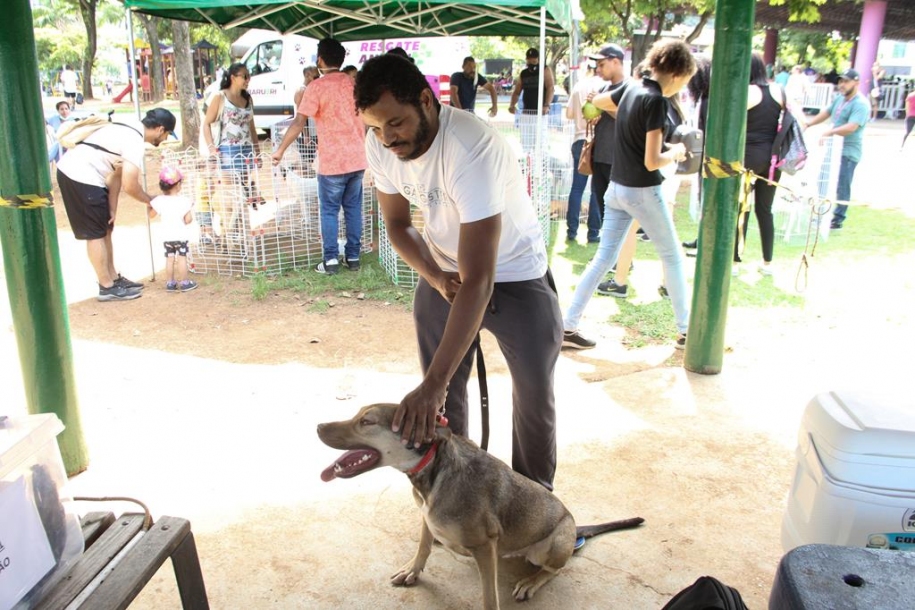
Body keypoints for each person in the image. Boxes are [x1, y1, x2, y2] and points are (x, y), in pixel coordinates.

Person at [354, 53, 563, 492]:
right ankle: (455, 494)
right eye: (375, 127)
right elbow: (398, 225)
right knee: (442, 403)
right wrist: (434, 277)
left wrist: (433, 384)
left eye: (395, 123)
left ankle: (534, 503)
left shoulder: (470, 147)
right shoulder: (380, 144)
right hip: (444, 268)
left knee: (533, 396)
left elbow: (480, 280)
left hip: (514, 272)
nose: (387, 138)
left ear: (426, 101)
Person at [561, 38, 695, 351]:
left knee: (602, 259)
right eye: (685, 81)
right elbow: (652, 161)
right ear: (677, 74)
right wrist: (675, 152)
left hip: (616, 189)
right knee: (673, 256)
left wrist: (630, 120)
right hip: (642, 189)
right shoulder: (656, 101)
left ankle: (568, 325)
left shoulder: (631, 88)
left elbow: (600, 103)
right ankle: (687, 331)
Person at [56, 108, 177, 301]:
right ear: (160, 129)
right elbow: (130, 185)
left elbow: (117, 175)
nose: (165, 139)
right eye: (167, 134)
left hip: (89, 176)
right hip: (79, 175)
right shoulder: (134, 140)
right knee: (95, 234)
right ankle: (106, 286)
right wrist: (150, 200)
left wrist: (111, 209)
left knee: (106, 228)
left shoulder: (130, 127)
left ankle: (113, 278)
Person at [271, 38, 367, 274]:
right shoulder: (354, 84)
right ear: (341, 59)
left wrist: (280, 150)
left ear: (320, 60)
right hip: (357, 158)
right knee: (353, 208)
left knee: (329, 211)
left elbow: (299, 122)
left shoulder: (316, 87)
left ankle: (331, 260)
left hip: (332, 162)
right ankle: (353, 257)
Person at [734, 53, 785, 277]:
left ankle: (735, 262)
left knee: (741, 210)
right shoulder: (779, 91)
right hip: (773, 160)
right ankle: (767, 262)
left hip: (749, 159)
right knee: (765, 210)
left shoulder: (748, 92)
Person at [803, 69, 869, 230]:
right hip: (833, 148)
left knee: (842, 184)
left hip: (848, 151)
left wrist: (830, 132)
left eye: (846, 81)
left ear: (856, 83)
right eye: (840, 81)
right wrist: (808, 124)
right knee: (823, 181)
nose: (842, 85)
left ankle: (838, 218)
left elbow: (852, 127)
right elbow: (826, 113)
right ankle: (820, 213)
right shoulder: (840, 99)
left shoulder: (861, 104)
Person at [202, 62, 264, 210]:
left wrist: (257, 152)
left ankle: (242, 220)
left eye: (249, 76)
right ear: (233, 78)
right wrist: (212, 149)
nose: (248, 79)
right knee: (231, 193)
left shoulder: (247, 99)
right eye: (245, 76)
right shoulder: (220, 97)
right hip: (228, 151)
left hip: (246, 150)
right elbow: (206, 124)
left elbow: (252, 128)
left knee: (242, 190)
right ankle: (231, 223)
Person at [564, 60, 602, 243]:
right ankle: (593, 232)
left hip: (580, 139)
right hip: (599, 141)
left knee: (577, 187)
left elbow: (569, 114)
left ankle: (572, 230)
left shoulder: (578, 87)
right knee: (596, 189)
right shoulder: (603, 87)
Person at [149, 166, 198, 293]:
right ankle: (185, 282)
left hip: (167, 236)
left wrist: (149, 205)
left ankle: (170, 283)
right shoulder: (184, 200)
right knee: (182, 258)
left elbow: (151, 215)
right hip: (180, 236)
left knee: (169, 259)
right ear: (178, 185)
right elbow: (188, 219)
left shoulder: (159, 200)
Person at [508, 48, 555, 151]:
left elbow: (550, 87)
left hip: (540, 113)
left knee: (541, 144)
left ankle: (540, 160)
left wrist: (546, 105)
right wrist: (512, 105)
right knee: (526, 144)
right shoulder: (523, 73)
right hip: (527, 113)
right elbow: (517, 91)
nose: (531, 63)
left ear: (538, 59)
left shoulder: (545, 70)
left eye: (534, 60)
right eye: (529, 60)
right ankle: (528, 160)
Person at [293, 65, 320, 174]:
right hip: (306, 131)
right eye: (316, 76)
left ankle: (290, 168)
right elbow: (300, 114)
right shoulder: (301, 90)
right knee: (307, 160)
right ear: (307, 75)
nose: (318, 78)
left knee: (309, 158)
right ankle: (292, 169)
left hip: (312, 130)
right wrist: (306, 134)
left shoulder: (310, 89)